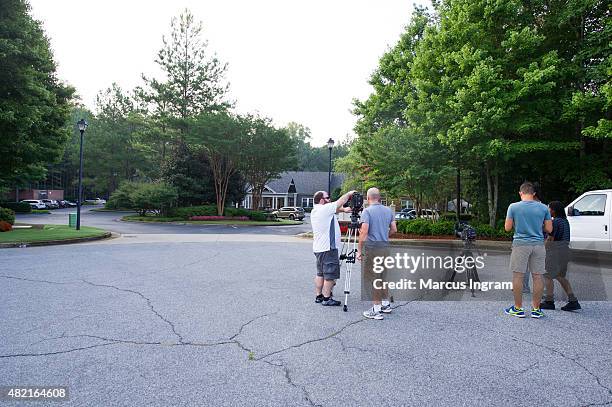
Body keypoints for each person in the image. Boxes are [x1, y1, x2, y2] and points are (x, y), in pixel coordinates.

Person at [504, 182, 552, 318]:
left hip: (520, 244)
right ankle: (536, 309)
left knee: (518, 276)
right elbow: (549, 229)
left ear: (521, 193)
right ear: (534, 194)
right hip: (538, 244)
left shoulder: (513, 207)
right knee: (538, 276)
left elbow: (507, 228)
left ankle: (518, 308)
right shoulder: (544, 208)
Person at [357, 188, 396, 320]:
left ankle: (376, 309)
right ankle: (385, 304)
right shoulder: (388, 210)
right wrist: (384, 236)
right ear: (379, 198)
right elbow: (394, 229)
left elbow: (364, 232)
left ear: (368, 198)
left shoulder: (367, 211)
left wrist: (359, 251)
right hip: (385, 248)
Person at [311, 189, 355, 306]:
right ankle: (327, 299)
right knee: (329, 275)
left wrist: (344, 209)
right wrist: (349, 194)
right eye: (328, 197)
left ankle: (319, 296)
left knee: (320, 274)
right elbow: (339, 202)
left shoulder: (316, 210)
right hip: (328, 249)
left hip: (319, 249)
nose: (330, 199)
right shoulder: (324, 209)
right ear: (321, 200)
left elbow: (335, 208)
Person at [540, 201, 581, 311]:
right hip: (565, 251)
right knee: (560, 276)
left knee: (547, 275)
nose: (548, 210)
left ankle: (549, 301)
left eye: (549, 208)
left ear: (553, 210)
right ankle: (573, 300)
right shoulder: (565, 221)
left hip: (555, 252)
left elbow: (550, 239)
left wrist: (542, 249)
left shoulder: (555, 222)